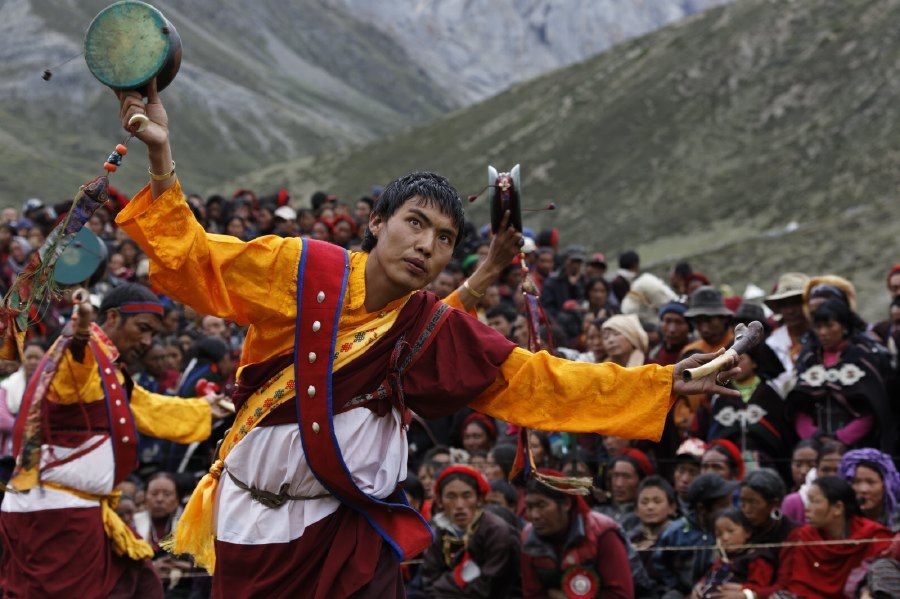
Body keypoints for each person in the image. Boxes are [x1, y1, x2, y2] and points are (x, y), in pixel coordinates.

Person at [114, 82, 740, 597]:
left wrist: (663, 380)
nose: (425, 245)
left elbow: (532, 380)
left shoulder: (428, 327)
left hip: (348, 535)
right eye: (415, 223)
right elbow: (195, 262)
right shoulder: (300, 269)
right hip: (250, 528)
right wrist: (162, 158)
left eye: (443, 237)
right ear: (377, 222)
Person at [0, 285, 225, 598]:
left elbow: (148, 407)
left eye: (153, 334)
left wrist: (207, 409)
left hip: (81, 511)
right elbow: (73, 363)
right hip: (56, 517)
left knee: (143, 586)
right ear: (114, 317)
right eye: (142, 329)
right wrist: (79, 335)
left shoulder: (107, 366)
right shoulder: (79, 354)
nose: (147, 342)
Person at [788, 299, 894, 452]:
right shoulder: (809, 359)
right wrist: (815, 438)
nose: (823, 332)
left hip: (856, 446)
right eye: (818, 327)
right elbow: (798, 406)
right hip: (815, 448)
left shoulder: (860, 357)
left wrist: (841, 439)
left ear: (844, 326)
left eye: (829, 326)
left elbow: (873, 406)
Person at [774, 476, 892, 598]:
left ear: (838, 508)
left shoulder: (872, 536)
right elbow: (791, 585)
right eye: (808, 501)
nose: (807, 508)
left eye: (815, 501)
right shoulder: (802, 538)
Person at [521, 472, 635, 598]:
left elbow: (621, 595)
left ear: (566, 504)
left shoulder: (602, 533)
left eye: (541, 506)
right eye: (529, 507)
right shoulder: (528, 537)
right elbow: (532, 593)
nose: (534, 515)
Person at [420, 465, 521, 598]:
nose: (459, 505)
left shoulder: (497, 531)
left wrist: (442, 588)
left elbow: (488, 585)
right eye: (451, 496)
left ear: (479, 499)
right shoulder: (437, 530)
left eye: (467, 496)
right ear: (439, 501)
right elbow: (429, 579)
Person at [652, 473, 737, 598]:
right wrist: (676, 586)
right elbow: (658, 562)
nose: (729, 509)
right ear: (702, 509)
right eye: (723, 506)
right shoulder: (675, 532)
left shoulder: (731, 529)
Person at [691, 507, 774, 599]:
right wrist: (699, 586)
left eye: (731, 531)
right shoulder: (723, 559)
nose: (725, 538)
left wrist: (744, 592)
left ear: (747, 532)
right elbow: (709, 576)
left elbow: (760, 589)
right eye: (719, 534)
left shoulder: (757, 559)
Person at [763, 272, 810, 396]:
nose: (790, 311)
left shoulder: (826, 334)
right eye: (784, 304)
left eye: (796, 302)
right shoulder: (772, 344)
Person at [839, 448, 900, 531]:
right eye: (856, 482)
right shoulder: (838, 519)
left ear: (886, 485)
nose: (863, 489)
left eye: (871, 482)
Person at [648, 302, 692, 366]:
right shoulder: (653, 353)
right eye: (667, 321)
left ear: (689, 327)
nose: (672, 330)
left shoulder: (695, 353)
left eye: (679, 322)